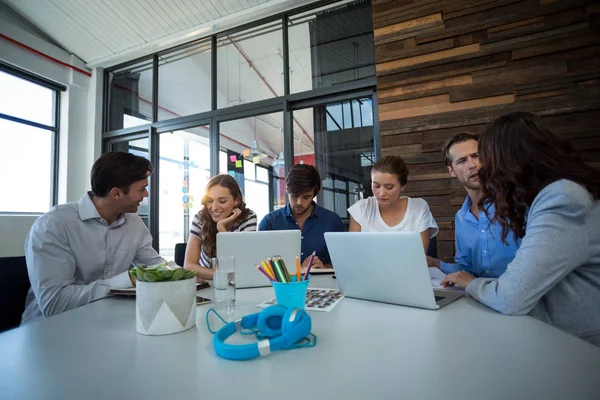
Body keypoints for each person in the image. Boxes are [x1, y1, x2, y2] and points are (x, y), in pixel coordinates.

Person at [441, 112, 600, 346]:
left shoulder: (560, 198)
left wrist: (472, 284)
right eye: (463, 160)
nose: (481, 167)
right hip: (519, 322)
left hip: (573, 342)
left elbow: (511, 296)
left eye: (484, 157)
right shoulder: (551, 194)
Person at [22, 152, 165, 324]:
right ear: (117, 193)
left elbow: (155, 265)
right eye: (142, 189)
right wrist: (126, 280)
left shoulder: (133, 223)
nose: (146, 195)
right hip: (53, 330)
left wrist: (185, 275)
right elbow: (55, 304)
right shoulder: (53, 225)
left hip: (109, 322)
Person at [427, 133, 520, 278]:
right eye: (462, 161)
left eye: (476, 156)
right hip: (478, 298)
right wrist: (436, 264)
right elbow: (466, 270)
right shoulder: (461, 218)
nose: (472, 165)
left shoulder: (516, 202)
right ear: (451, 171)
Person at [259, 164, 344, 270]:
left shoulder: (332, 221)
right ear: (287, 191)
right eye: (294, 195)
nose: (299, 202)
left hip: (322, 284)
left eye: (306, 197)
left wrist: (324, 267)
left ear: (314, 194)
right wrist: (297, 269)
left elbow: (343, 264)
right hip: (283, 285)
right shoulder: (270, 223)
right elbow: (261, 266)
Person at [348, 155, 438, 253]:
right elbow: (353, 254)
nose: (381, 193)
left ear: (402, 186)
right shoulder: (361, 210)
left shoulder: (418, 208)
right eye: (376, 186)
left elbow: (419, 255)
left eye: (389, 187)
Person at [184, 174, 257, 280]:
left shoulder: (248, 218)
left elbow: (241, 264)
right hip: (207, 283)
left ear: (236, 200)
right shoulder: (200, 218)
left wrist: (222, 229)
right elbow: (188, 266)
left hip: (236, 284)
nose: (214, 208)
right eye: (210, 201)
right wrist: (221, 276)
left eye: (222, 201)